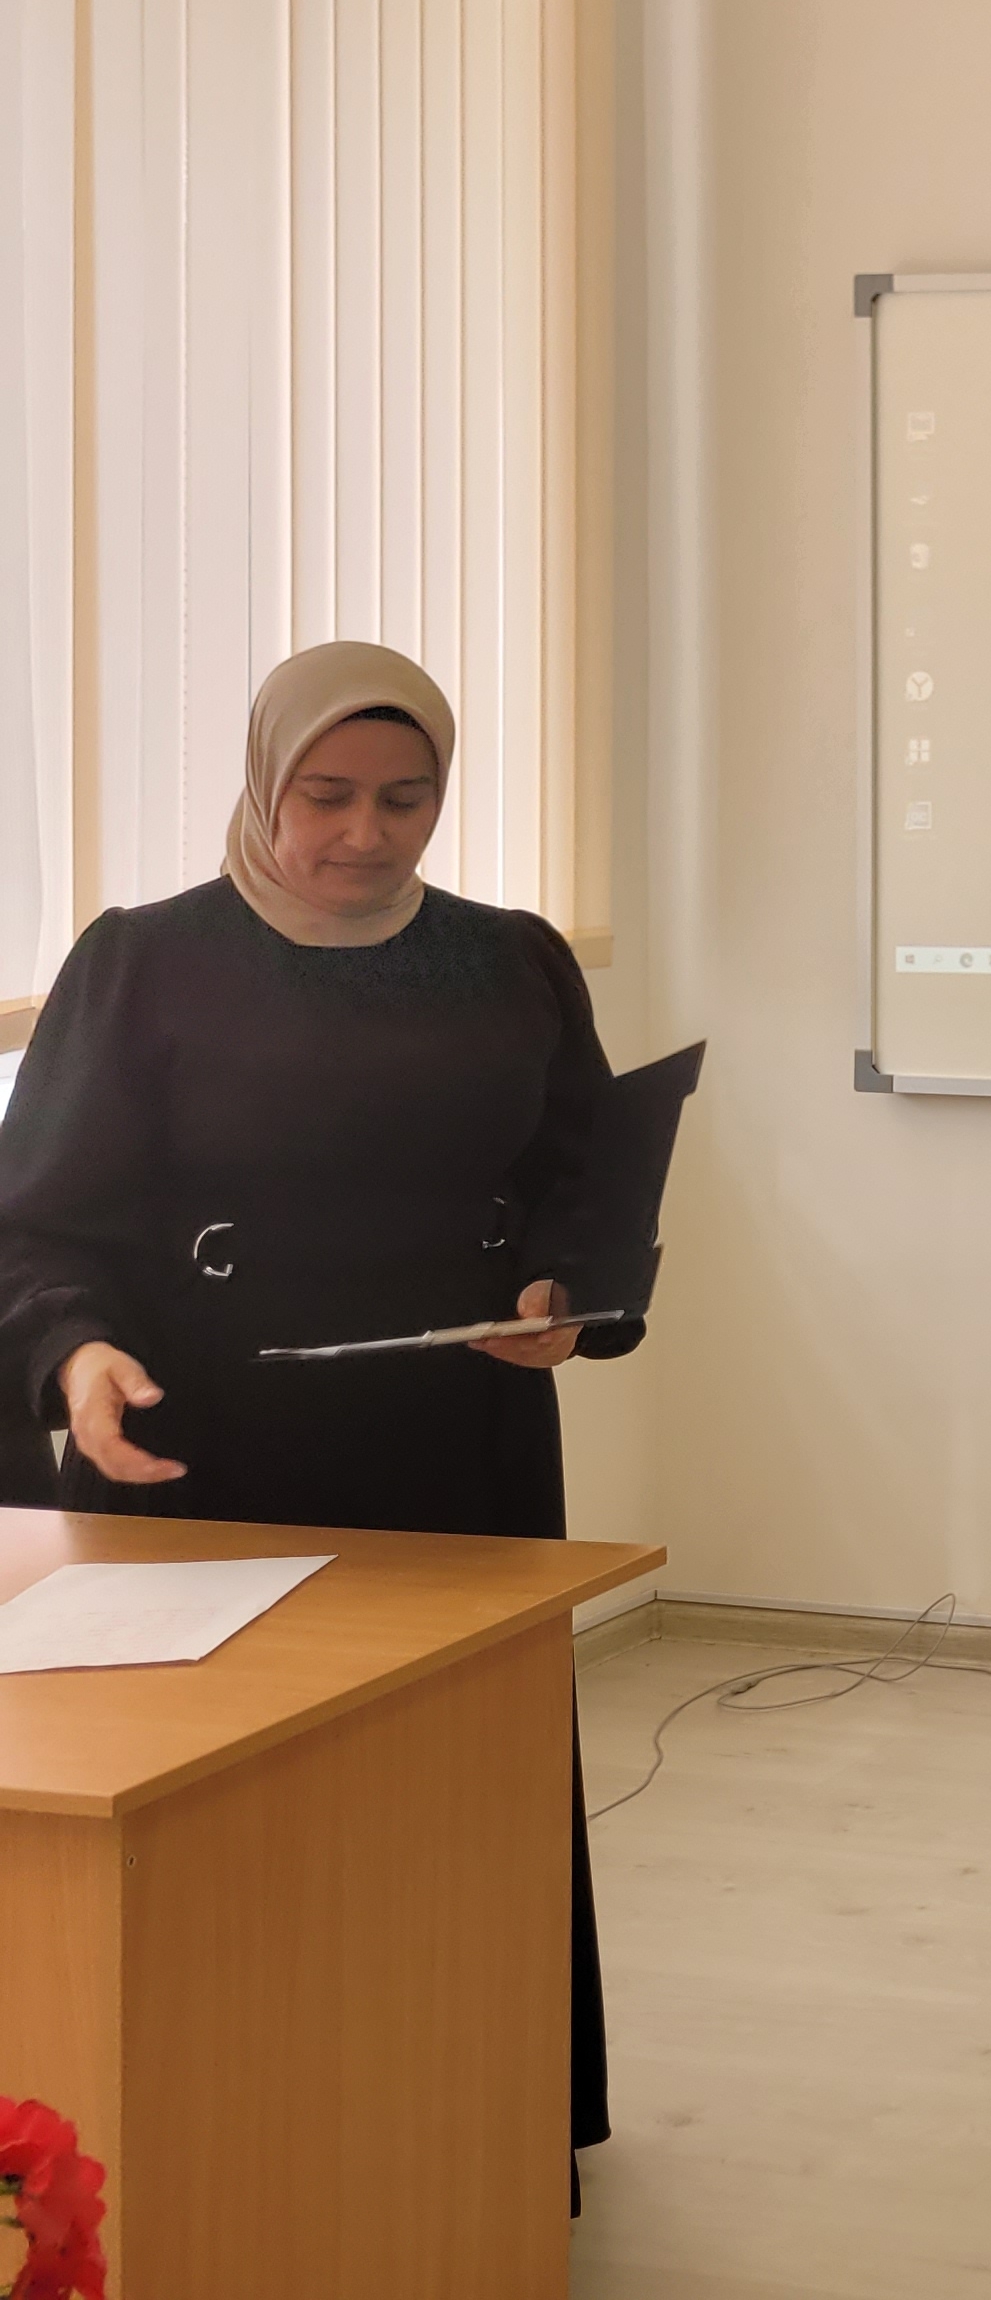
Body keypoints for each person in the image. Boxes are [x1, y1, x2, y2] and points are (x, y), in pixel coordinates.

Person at [0, 643, 640, 2181]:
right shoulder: (143, 960)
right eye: (327, 795)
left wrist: (566, 1290)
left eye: (406, 799)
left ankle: (472, 2133)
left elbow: (590, 1175)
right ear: (262, 779)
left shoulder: (511, 960)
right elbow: (39, 1225)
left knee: (457, 1791)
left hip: (457, 1449)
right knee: (215, 1814)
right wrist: (76, 1359)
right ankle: (238, 2155)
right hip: (204, 1445)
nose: (366, 834)